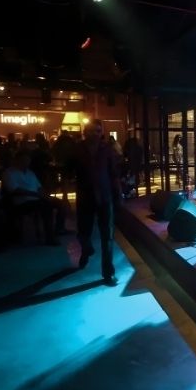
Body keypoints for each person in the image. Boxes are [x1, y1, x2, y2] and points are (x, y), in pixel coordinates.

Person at [71, 120, 123, 286]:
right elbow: (68, 173)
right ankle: (86, 249)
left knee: (107, 236)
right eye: (92, 130)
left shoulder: (107, 149)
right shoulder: (77, 149)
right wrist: (65, 197)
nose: (95, 134)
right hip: (85, 197)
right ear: (85, 132)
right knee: (83, 232)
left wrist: (118, 194)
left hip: (105, 197)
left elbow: (114, 174)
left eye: (98, 131)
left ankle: (108, 273)